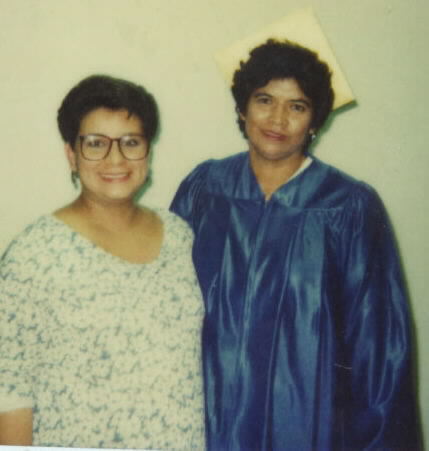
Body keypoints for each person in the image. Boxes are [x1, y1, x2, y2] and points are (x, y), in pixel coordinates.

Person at [171, 39, 421, 450]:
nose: (277, 118)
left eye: (297, 106)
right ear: (242, 108)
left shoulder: (350, 209)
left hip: (306, 426)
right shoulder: (204, 191)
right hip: (205, 421)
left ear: (315, 121)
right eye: (264, 99)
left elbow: (378, 351)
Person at [0, 75, 205, 449]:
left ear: (148, 151)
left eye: (131, 143)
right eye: (96, 144)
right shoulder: (35, 254)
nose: (116, 159)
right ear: (71, 154)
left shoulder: (180, 237)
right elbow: (9, 391)